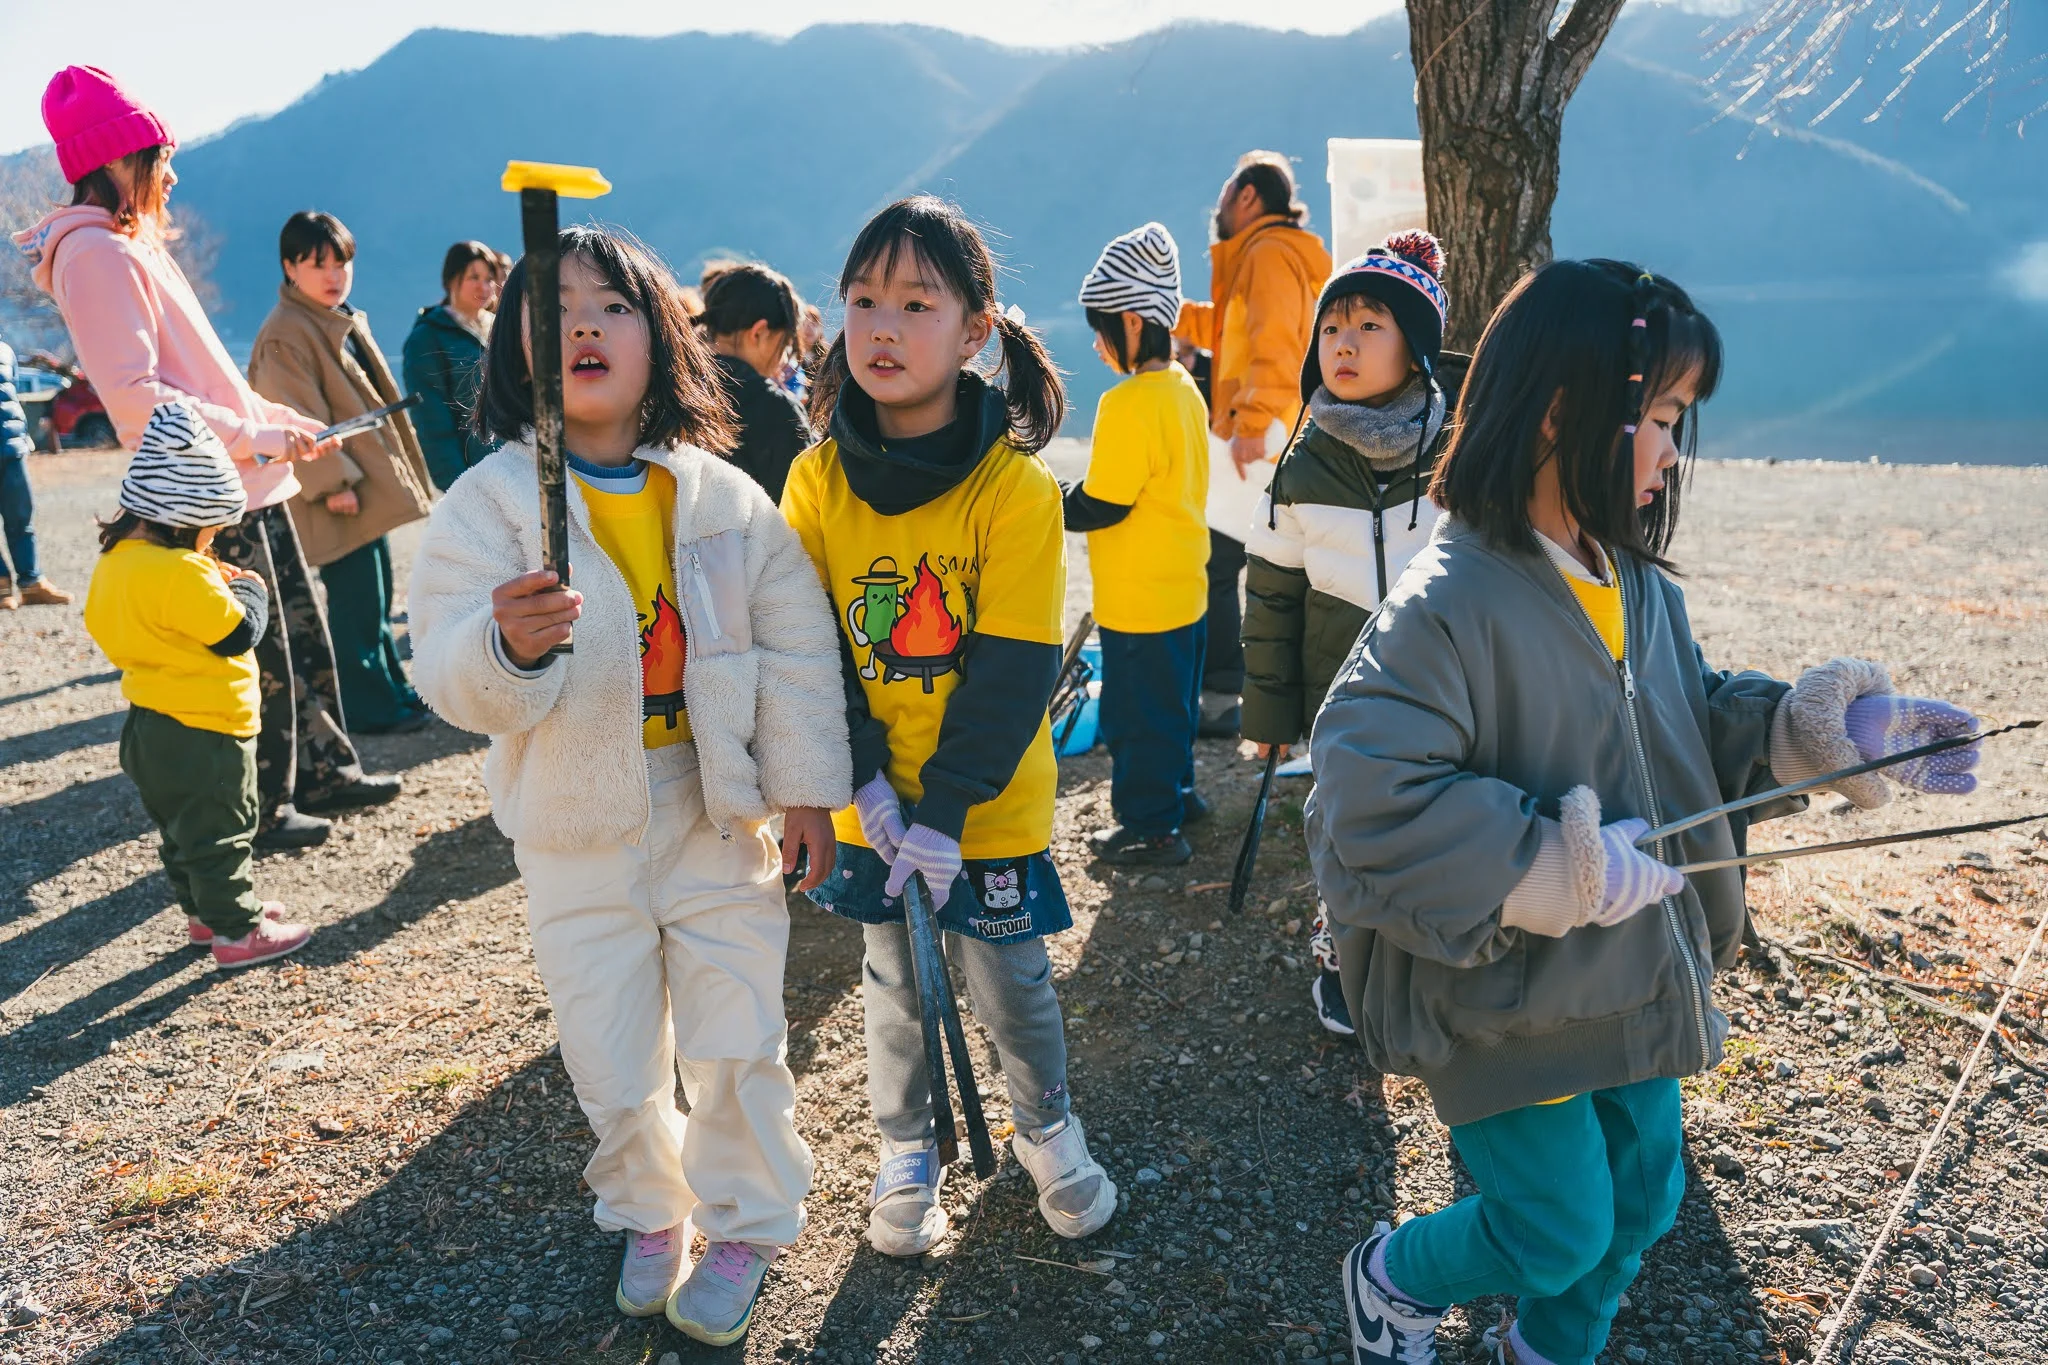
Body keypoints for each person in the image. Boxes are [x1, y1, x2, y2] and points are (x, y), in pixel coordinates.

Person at [1307, 260, 1984, 1365]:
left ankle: (1547, 1350)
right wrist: (1545, 867)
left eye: (1678, 420)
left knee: (1639, 1202)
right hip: (1500, 994)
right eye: (1661, 416)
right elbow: (1366, 795)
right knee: (1553, 1222)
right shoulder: (1445, 604)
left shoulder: (1635, 585)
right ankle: (1392, 1277)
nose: (1672, 449)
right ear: (1563, 409)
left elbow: (1689, 725)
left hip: (1631, 967)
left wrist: (1826, 734)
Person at [407, 225, 848, 1347]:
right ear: (514, 347)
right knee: (605, 1043)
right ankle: (648, 1211)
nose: (585, 328)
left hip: (712, 808)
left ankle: (747, 1219)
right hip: (571, 826)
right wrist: (502, 648)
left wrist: (804, 791)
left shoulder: (718, 499)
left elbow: (794, 645)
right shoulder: (490, 506)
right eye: (553, 312)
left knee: (737, 1028)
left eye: (613, 306)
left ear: (662, 339)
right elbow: (447, 671)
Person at [783, 196, 1117, 1258]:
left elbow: (1015, 670)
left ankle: (1044, 1125)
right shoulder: (816, 478)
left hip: (986, 805)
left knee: (1009, 980)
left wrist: (942, 815)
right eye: (863, 300)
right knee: (892, 976)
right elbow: (808, 648)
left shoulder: (1012, 489)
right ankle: (905, 1147)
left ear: (973, 330)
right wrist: (868, 790)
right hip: (867, 803)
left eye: (916, 303)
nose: (881, 326)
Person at [17, 66, 396, 852]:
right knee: (257, 652)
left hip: (240, 475)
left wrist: (275, 419)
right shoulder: (97, 257)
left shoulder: (131, 244)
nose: (172, 169)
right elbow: (137, 401)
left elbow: (198, 375)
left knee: (296, 636)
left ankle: (318, 769)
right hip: (206, 492)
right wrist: (255, 434)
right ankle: (260, 806)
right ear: (121, 162)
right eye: (160, 153)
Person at [1238, 231, 1465, 1037]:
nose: (1344, 341)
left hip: (1442, 693)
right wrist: (1268, 721)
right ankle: (1346, 947)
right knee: (1339, 829)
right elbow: (1269, 598)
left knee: (1435, 823)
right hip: (1338, 697)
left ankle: (1428, 952)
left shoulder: (1455, 458)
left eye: (1370, 326)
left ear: (1416, 350)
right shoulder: (1301, 463)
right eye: (1332, 326)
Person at [83, 402, 310, 966]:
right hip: (205, 728)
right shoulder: (182, 571)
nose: (213, 543)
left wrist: (207, 577)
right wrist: (251, 587)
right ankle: (239, 931)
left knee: (181, 833)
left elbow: (126, 619)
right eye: (211, 531)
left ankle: (205, 915)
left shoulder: (117, 561)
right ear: (183, 518)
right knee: (224, 831)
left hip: (147, 724)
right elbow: (238, 633)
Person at [250, 211, 435, 735]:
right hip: (338, 492)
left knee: (374, 597)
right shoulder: (287, 332)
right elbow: (294, 409)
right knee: (355, 605)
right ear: (290, 267)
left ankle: (393, 694)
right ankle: (368, 707)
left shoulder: (330, 317)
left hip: (359, 488)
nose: (334, 275)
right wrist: (334, 484)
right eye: (318, 264)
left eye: (342, 262)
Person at [1062, 222, 1211, 867]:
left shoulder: (1126, 404)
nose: (1097, 345)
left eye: (1100, 329)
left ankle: (1153, 827)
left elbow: (1104, 503)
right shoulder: (1183, 388)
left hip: (1138, 601)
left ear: (1128, 321)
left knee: (1135, 717)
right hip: (1186, 587)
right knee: (1175, 705)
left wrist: (1050, 496)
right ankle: (1180, 795)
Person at [1172, 150, 1330, 740]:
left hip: (1263, 431)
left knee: (1218, 562)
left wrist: (1253, 420)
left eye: (1224, 192)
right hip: (1265, 427)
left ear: (1247, 197)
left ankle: (1220, 696)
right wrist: (1173, 316)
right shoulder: (1264, 256)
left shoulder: (1266, 255)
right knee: (1256, 562)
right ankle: (1237, 690)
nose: (1217, 206)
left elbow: (1275, 344)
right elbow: (1231, 327)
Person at [696, 260, 814, 504]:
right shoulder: (773, 408)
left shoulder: (673, 387)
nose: (783, 360)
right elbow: (802, 509)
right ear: (759, 333)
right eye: (785, 346)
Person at [402, 240, 502, 492]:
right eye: (474, 277)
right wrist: (458, 484)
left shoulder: (502, 328)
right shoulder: (428, 337)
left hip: (514, 466)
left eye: (490, 278)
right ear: (451, 280)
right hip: (472, 476)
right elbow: (431, 420)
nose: (484, 286)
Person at [0, 337, 70, 608]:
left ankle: (31, 583)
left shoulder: (6, 351)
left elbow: (14, 396)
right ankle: (2, 587)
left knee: (21, 518)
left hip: (12, 446)